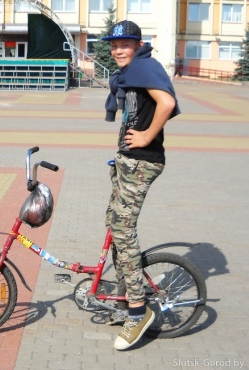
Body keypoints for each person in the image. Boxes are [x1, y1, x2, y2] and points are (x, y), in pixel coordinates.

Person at [102, 20, 180, 350]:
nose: (119, 49)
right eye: (115, 44)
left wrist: (147, 136)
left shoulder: (146, 67)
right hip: (128, 161)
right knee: (113, 223)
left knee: (123, 230)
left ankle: (138, 310)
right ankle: (123, 297)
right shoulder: (133, 71)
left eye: (126, 44)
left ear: (138, 44)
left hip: (144, 160)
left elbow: (167, 103)